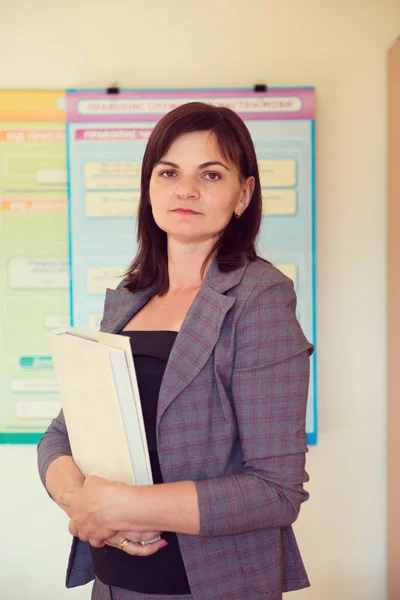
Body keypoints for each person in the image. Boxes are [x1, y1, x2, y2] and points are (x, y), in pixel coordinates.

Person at [37, 101, 314, 600]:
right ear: (150, 187)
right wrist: (85, 506)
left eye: (211, 174)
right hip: (115, 581)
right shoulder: (129, 299)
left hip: (212, 584)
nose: (186, 189)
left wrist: (124, 507)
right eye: (169, 172)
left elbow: (275, 491)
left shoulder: (259, 297)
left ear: (243, 193)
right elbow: (60, 438)